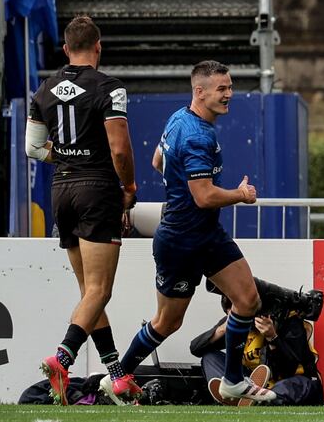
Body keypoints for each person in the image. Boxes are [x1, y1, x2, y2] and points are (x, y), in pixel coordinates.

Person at [104, 60, 276, 405]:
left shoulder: (179, 118)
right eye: (222, 89)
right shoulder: (197, 134)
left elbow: (157, 160)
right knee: (167, 323)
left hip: (207, 236)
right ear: (200, 91)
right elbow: (204, 196)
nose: (229, 94)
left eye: (230, 87)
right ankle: (118, 378)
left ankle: (232, 381)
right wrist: (241, 195)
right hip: (181, 241)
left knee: (248, 299)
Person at [25, 15, 139, 406]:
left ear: (65, 49)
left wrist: (65, 154)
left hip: (62, 190)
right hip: (97, 191)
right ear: (98, 45)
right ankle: (62, 357)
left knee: (90, 295)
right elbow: (120, 149)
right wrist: (129, 187)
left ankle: (118, 377)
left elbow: (32, 148)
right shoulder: (109, 87)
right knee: (100, 290)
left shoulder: (43, 90)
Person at [191, 279, 324, 406]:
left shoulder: (288, 322)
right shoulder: (234, 325)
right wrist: (224, 328)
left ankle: (253, 399)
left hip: (293, 380)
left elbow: (288, 370)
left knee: (283, 389)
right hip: (250, 382)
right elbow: (196, 348)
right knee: (210, 357)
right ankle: (235, 393)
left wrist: (272, 337)